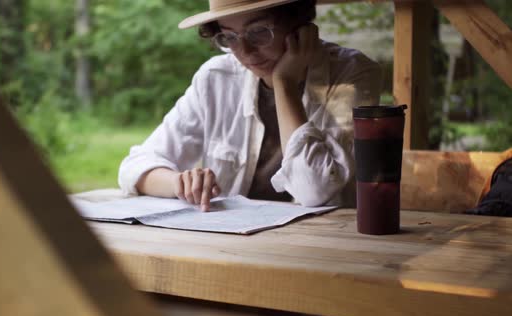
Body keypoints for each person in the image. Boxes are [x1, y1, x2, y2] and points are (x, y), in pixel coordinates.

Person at [118, 0, 381, 211]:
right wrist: (179, 183)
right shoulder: (216, 78)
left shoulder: (352, 74)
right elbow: (135, 166)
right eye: (229, 37)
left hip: (322, 251)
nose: (244, 51)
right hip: (234, 246)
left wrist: (284, 83)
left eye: (258, 32)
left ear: (299, 23)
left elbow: (314, 190)